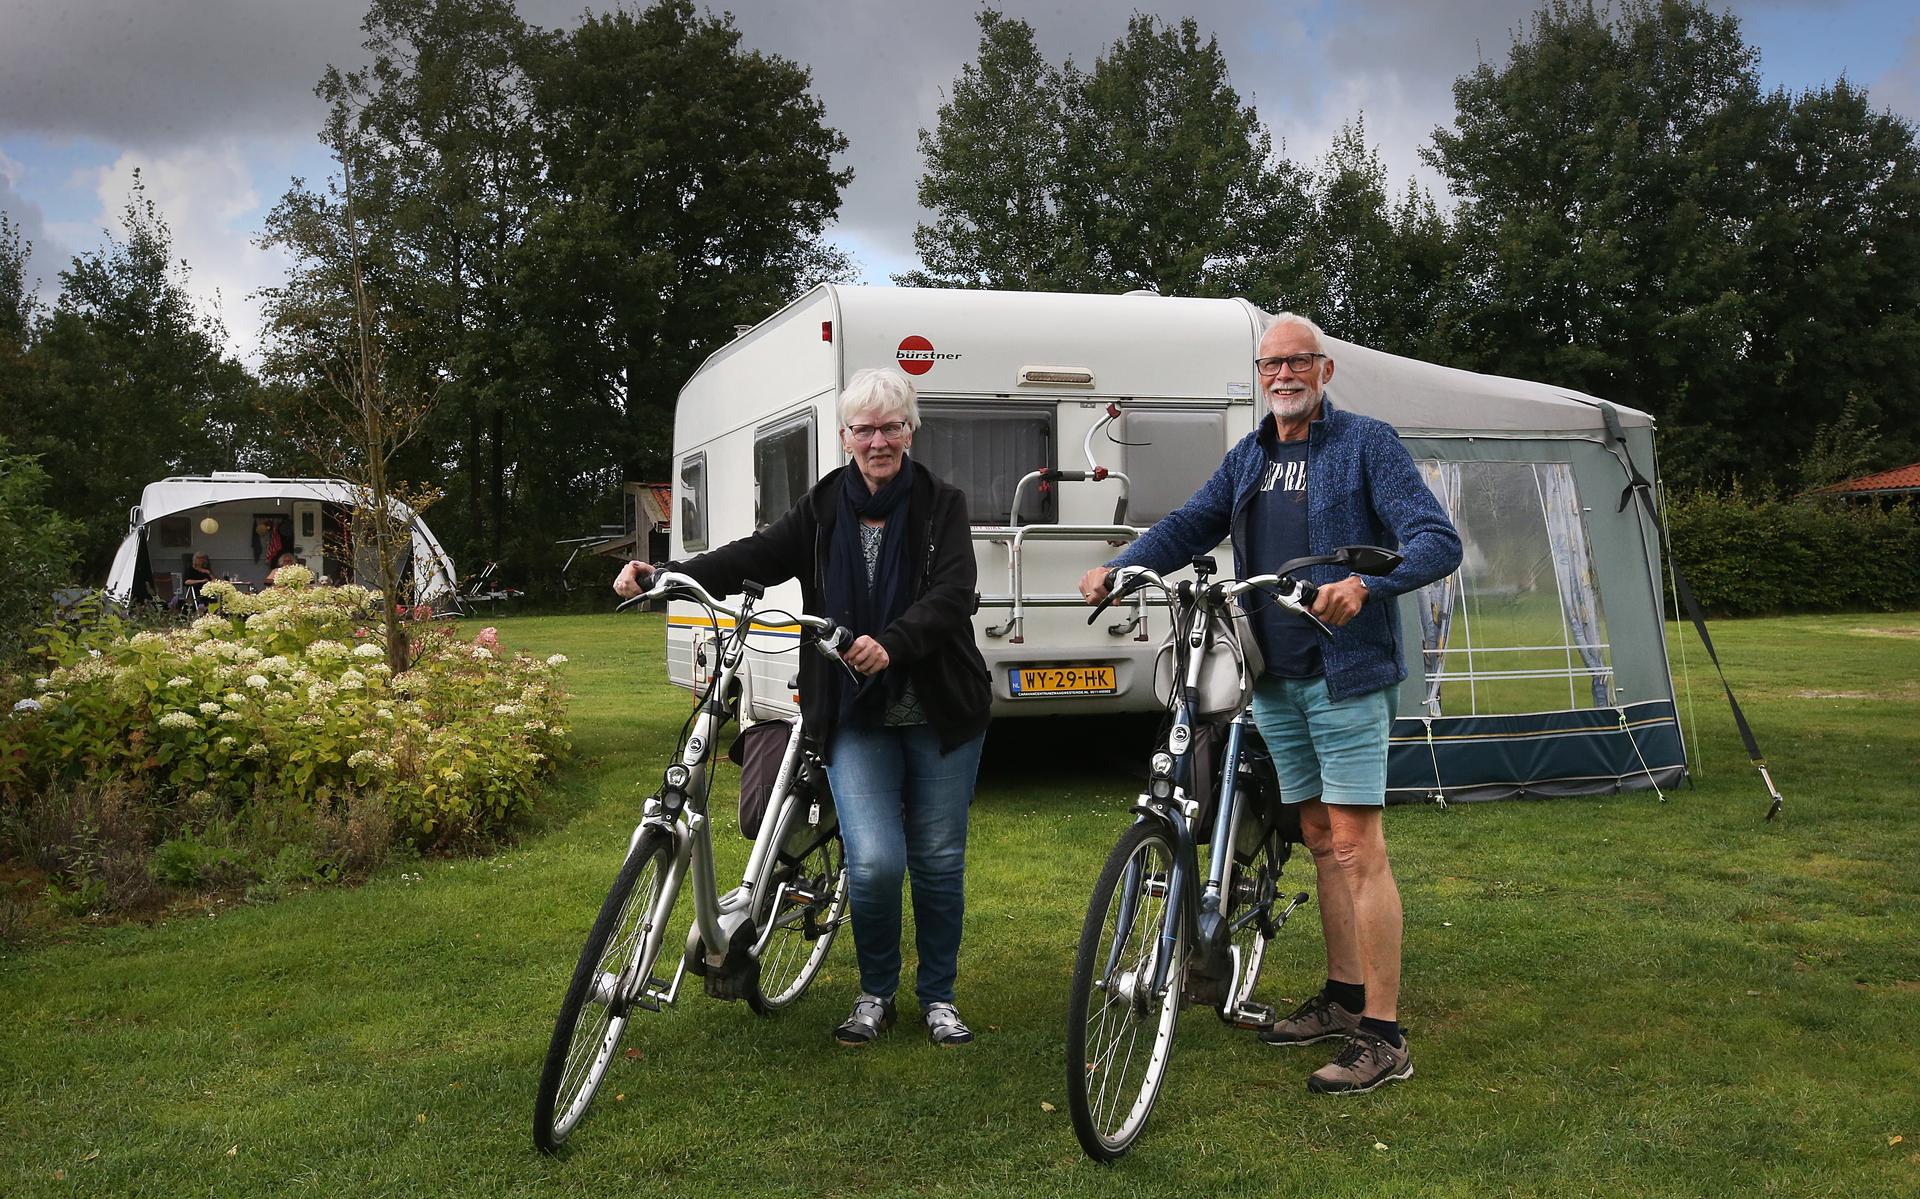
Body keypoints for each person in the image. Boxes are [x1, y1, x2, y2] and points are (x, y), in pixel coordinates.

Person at [1078, 313, 1461, 1095]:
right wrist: (1122, 564)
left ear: (1323, 370)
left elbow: (1436, 539)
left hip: (1345, 672)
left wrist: (1368, 583)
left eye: (1297, 362)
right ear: (1260, 376)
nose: (1282, 375)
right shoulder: (1249, 456)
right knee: (1318, 835)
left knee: (1357, 845)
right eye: (1269, 365)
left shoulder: (1367, 444)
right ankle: (1343, 997)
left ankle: (1384, 1036)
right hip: (1274, 677)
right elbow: (1191, 523)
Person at [615, 367, 991, 1048]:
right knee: (874, 862)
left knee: (937, 858)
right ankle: (876, 992)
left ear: (910, 429)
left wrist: (895, 643)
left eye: (891, 425)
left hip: (941, 713)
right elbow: (752, 555)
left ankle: (938, 996)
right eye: (864, 428)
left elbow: (952, 592)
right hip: (853, 712)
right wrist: (666, 575)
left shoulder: (943, 504)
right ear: (846, 436)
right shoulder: (823, 507)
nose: (878, 440)